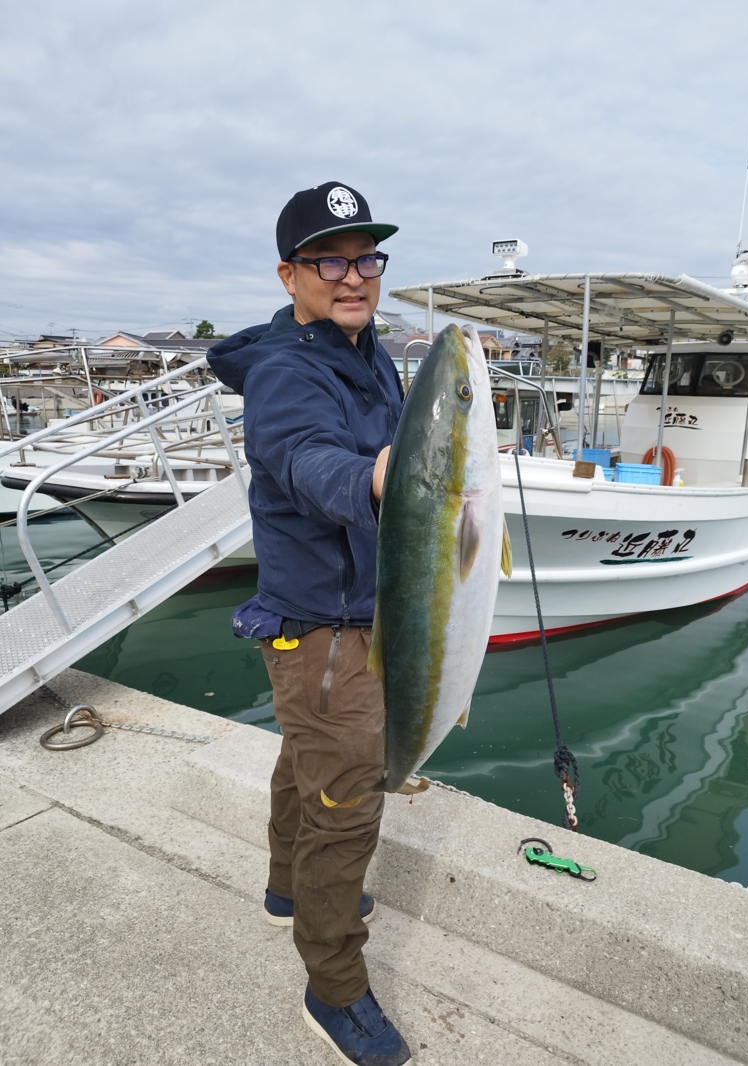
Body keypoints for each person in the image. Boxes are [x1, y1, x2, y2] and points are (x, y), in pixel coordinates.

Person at [208, 182, 411, 1066]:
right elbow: (302, 459)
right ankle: (334, 989)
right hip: (322, 626)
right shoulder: (290, 368)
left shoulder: (374, 353)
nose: (354, 275)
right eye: (332, 259)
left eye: (367, 256)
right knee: (348, 797)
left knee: (305, 760)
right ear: (290, 274)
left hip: (356, 610)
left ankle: (288, 890)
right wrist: (375, 479)